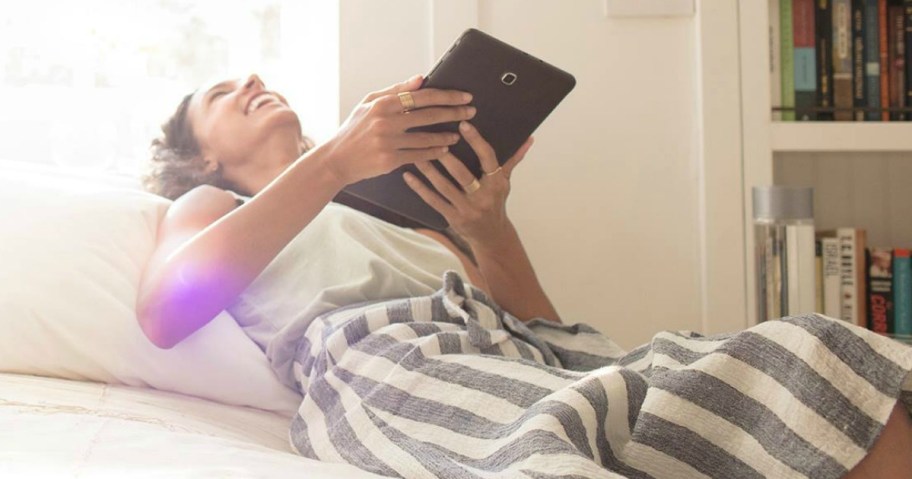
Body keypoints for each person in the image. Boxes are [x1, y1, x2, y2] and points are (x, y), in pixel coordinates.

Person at [138, 73, 912, 478]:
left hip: (528, 355)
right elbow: (166, 312)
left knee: (802, 357)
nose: (248, 80)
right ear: (200, 155)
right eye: (219, 93)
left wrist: (486, 225)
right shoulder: (216, 201)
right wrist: (334, 157)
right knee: (546, 446)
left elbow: (542, 322)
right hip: (392, 366)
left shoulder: (395, 199)